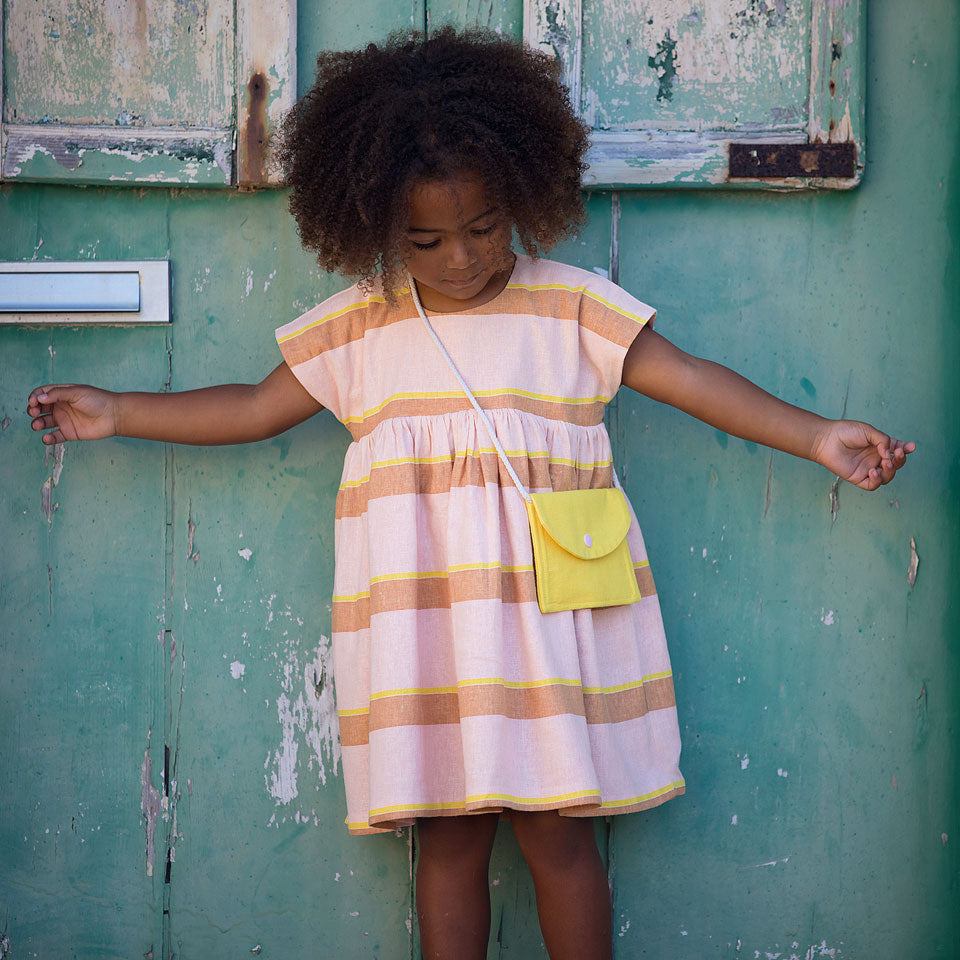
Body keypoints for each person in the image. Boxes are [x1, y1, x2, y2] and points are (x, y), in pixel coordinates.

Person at [25, 27, 913, 960]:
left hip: (547, 629)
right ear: (375, 224)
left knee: (560, 836)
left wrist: (816, 436)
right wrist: (119, 410)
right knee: (449, 840)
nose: (459, 257)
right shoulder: (361, 328)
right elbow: (252, 406)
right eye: (426, 239)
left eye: (484, 228)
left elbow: (692, 380)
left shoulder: (570, 308)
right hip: (429, 637)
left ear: (523, 196)